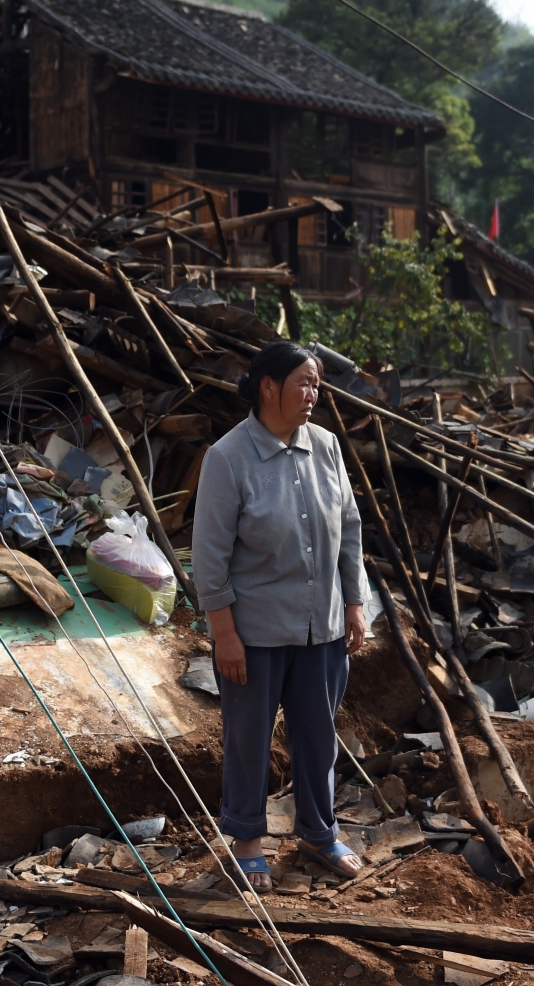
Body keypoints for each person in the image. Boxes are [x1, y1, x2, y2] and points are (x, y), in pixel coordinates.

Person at [191, 340, 368, 891]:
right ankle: (247, 840)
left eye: (317, 384)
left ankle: (319, 832)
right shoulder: (228, 458)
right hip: (256, 633)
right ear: (268, 386)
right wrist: (224, 634)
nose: (313, 394)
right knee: (248, 737)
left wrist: (356, 603)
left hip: (323, 627)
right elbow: (209, 556)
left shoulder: (328, 448)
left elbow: (350, 531)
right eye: (304, 383)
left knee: (319, 735)